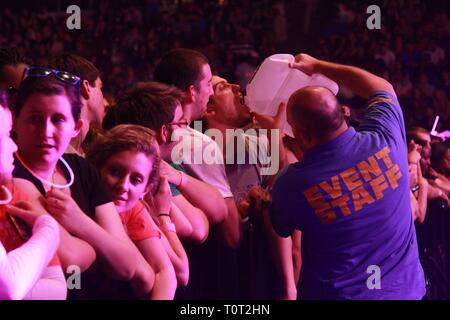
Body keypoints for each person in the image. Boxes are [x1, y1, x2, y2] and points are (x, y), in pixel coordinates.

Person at [270, 53, 426, 299]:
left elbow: (279, 223)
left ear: (303, 135)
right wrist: (317, 66)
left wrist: (273, 141)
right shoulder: (386, 137)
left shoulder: (295, 182)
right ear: (340, 115)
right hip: (406, 292)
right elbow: (381, 87)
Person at [11, 67, 153, 299]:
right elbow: (69, 258)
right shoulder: (11, 175)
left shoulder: (82, 170)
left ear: (75, 127)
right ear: (15, 121)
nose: (46, 132)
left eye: (58, 119)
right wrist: (100, 244)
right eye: (35, 119)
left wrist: (79, 222)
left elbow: (127, 267)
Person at [203, 74, 299, 299]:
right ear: (209, 110)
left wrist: (289, 287)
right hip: (215, 276)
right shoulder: (198, 156)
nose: (238, 87)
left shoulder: (257, 145)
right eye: (223, 87)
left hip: (258, 273)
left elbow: (275, 200)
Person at [102, 81, 214, 243]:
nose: (186, 132)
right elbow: (196, 229)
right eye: (181, 123)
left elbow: (218, 207)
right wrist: (164, 216)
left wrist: (178, 176)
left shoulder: (166, 165)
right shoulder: (150, 171)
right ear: (163, 132)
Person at [87, 124, 189, 296]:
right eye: (115, 172)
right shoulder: (81, 195)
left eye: (135, 180)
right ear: (96, 167)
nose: (123, 186)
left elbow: (165, 272)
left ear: (146, 189)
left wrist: (164, 214)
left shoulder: (132, 208)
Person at [154, 48, 237, 247]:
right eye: (209, 83)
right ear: (192, 92)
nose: (210, 92)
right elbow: (231, 234)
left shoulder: (152, 133)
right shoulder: (200, 145)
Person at [0, 88, 66, 300]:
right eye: (3, 136)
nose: (12, 146)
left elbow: (58, 288)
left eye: (59, 119)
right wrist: (48, 229)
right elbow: (8, 288)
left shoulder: (11, 193)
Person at [48, 53, 105, 156]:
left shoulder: (85, 156)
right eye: (100, 88)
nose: (104, 100)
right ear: (86, 88)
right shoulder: (60, 159)